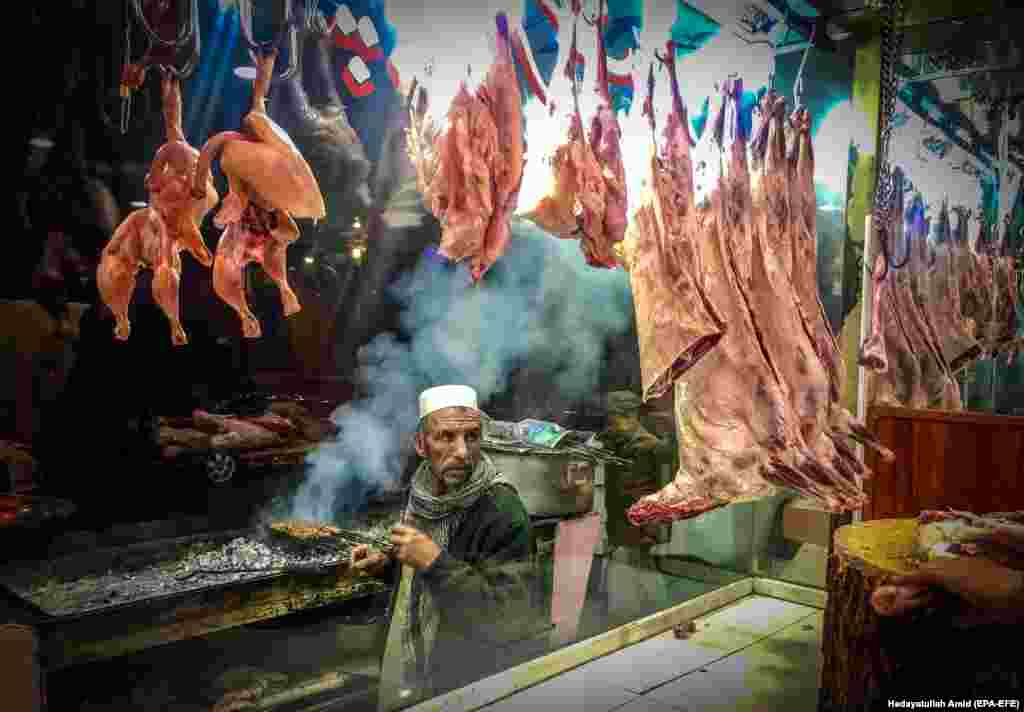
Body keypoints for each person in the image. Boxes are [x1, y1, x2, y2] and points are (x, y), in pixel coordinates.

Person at [350, 385, 544, 705]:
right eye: (445, 438)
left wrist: (434, 562)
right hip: (414, 666)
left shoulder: (501, 508)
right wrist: (388, 566)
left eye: (471, 437)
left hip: (469, 684)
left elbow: (510, 616)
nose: (463, 452)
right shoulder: (421, 494)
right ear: (421, 445)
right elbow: (421, 579)